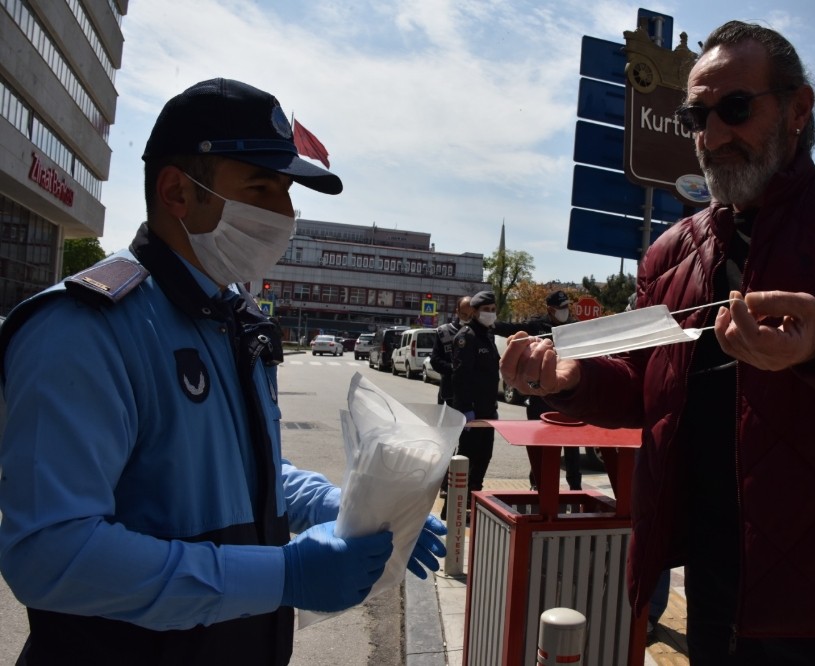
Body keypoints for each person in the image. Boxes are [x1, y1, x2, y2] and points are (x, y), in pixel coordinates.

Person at [500, 21, 815, 665]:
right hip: (714, 588)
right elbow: (643, 390)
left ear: (798, 109)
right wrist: (570, 382)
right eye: (697, 115)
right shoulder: (671, 252)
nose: (713, 135)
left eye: (736, 108)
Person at [0, 78, 446, 665]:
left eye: (287, 194)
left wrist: (335, 504)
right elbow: (52, 554)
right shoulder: (84, 328)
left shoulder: (229, 319)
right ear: (176, 192)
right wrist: (282, 575)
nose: (285, 215)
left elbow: (238, 468)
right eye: (261, 188)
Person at [522, 290, 582, 491]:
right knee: (541, 444)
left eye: (567, 307)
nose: (565, 311)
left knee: (571, 445)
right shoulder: (537, 326)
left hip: (567, 394)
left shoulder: (574, 327)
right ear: (550, 309)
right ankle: (537, 484)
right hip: (542, 396)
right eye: (561, 308)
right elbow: (513, 330)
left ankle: (575, 488)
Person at [450, 290, 502, 496]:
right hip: (472, 412)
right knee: (466, 460)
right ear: (474, 311)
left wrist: (493, 407)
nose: (490, 313)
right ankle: (454, 506)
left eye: (493, 309)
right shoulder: (466, 337)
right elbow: (460, 377)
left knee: (484, 457)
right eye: (486, 310)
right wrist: (465, 409)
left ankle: (474, 499)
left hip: (488, 410)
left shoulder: (487, 336)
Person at [430, 296, 474, 407]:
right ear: (457, 312)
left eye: (471, 316)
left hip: (472, 395)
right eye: (464, 315)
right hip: (449, 393)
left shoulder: (479, 334)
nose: (468, 319)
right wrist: (454, 369)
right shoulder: (443, 331)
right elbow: (435, 360)